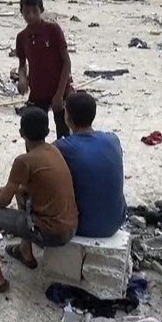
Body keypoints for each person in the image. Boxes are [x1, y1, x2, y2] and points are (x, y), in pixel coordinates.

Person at [0, 107, 78, 292]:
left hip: (49, 232)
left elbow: (2, 202)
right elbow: (31, 186)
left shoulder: (24, 161)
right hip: (70, 226)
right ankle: (26, 251)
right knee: (20, 192)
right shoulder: (54, 150)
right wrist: (8, 189)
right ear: (47, 132)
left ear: (21, 133)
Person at [54, 93, 126, 238]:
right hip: (116, 221)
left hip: (84, 226)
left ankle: (26, 248)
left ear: (68, 118)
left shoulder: (62, 147)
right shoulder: (112, 139)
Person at [16, 0, 73, 139]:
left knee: (64, 134)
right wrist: (22, 78)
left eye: (35, 11)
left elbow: (66, 62)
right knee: (33, 134)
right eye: (26, 12)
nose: (31, 16)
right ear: (21, 12)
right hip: (38, 91)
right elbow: (22, 63)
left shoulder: (52, 30)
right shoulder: (22, 37)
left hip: (59, 87)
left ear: (41, 10)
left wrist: (59, 94)